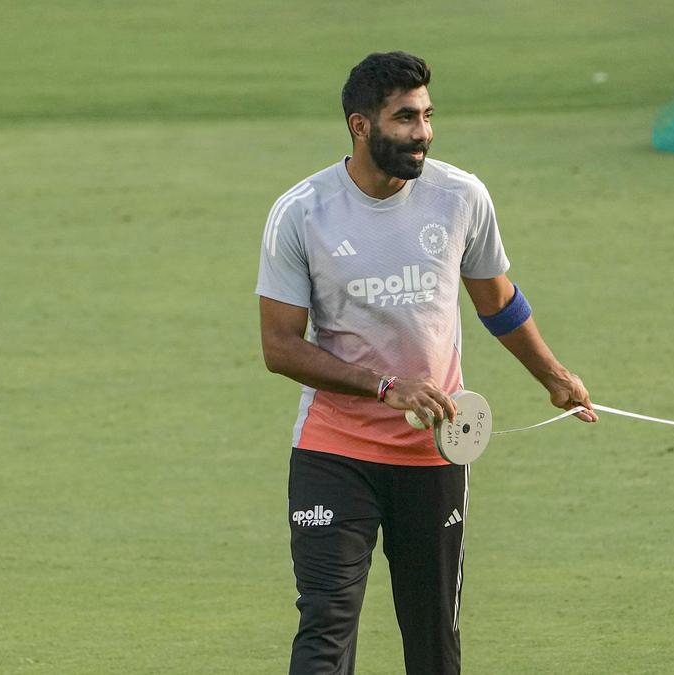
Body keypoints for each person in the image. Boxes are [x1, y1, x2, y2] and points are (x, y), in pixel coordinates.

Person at [255, 51, 596, 675]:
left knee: (433, 636)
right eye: (406, 118)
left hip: (435, 453)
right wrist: (384, 386)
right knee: (326, 623)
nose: (423, 133)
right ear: (360, 126)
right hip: (335, 453)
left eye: (428, 115)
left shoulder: (460, 196)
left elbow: (497, 300)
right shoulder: (301, 213)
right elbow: (279, 346)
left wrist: (552, 375)